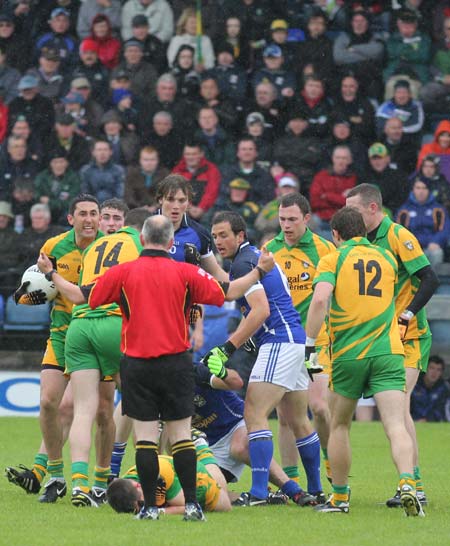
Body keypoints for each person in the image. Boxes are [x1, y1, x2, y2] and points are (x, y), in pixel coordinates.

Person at [67, 214, 276, 521]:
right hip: (176, 364)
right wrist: (260, 270)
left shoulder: (122, 272)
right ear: (170, 242)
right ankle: (192, 505)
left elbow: (83, 297)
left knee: (147, 438)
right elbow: (229, 290)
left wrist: (51, 275)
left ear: (141, 240)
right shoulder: (185, 272)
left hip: (137, 365)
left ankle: (150, 507)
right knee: (181, 436)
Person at [306, 206, 423, 517]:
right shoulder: (386, 258)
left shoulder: (334, 257)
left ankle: (340, 498)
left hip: (349, 354)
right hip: (388, 351)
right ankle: (408, 482)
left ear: (336, 234)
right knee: (396, 424)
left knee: (340, 424)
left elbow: (320, 299)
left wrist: (309, 343)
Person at [38, 207, 151, 507]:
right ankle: (145, 480)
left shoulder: (95, 248)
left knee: (84, 410)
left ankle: (79, 485)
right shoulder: (139, 245)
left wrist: (50, 274)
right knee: (140, 406)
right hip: (114, 326)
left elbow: (80, 294)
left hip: (79, 326)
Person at [207, 211, 322, 507]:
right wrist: (205, 262)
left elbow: (260, 311)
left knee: (254, 413)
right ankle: (318, 488)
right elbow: (230, 285)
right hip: (295, 341)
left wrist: (228, 348)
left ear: (240, 236)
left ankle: (258, 492)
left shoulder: (246, 262)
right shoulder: (250, 259)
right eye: (215, 236)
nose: (218, 241)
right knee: (298, 418)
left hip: (278, 341)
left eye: (224, 235)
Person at [346, 183, 439, 508]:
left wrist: (408, 314)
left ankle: (414, 485)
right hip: (382, 338)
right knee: (399, 413)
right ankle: (412, 483)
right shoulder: (361, 241)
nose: (349, 217)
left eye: (354, 210)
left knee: (398, 410)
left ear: (373, 209)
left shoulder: (398, 235)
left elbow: (430, 278)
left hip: (410, 336)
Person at [5, 195, 102, 503]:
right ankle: (54, 474)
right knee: (49, 402)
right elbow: (36, 286)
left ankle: (67, 476)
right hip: (61, 334)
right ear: (71, 219)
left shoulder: (108, 248)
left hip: (94, 335)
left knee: (76, 408)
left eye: (93, 214)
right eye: (82, 214)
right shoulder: (54, 247)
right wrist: (29, 293)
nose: (89, 219)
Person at [265, 192, 335, 485]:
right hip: (283, 342)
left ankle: (331, 456)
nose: (286, 225)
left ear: (307, 219)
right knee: (285, 417)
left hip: (316, 344)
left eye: (292, 219)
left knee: (319, 407)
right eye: (282, 219)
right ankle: (291, 483)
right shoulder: (269, 250)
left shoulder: (324, 249)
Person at [192, 359, 317, 506]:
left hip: (236, 423)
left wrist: (221, 373)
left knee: (240, 447)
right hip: (210, 445)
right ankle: (248, 497)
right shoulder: (162, 388)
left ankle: (294, 491)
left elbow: (236, 382)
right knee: (199, 487)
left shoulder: (195, 371)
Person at [107, 450, 231, 514]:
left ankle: (202, 449)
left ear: (137, 485)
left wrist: (160, 511)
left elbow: (188, 507)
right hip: (176, 474)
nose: (143, 505)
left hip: (198, 479)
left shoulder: (162, 475)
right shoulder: (124, 486)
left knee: (226, 506)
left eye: (140, 502)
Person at [396, 178, 450, 268]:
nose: (421, 191)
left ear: (429, 190)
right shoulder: (404, 210)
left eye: (424, 188)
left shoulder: (438, 209)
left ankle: (433, 281)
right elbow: (398, 231)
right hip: (411, 248)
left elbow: (445, 229)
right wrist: (411, 245)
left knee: (437, 253)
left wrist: (436, 242)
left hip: (432, 247)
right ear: (413, 190)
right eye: (418, 188)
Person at [172, 140, 221, 221]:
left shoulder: (211, 169)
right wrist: (189, 207)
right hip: (184, 209)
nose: (190, 157)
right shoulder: (177, 170)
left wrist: (202, 208)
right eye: (187, 154)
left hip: (207, 210)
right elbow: (175, 192)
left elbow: (212, 191)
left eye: (194, 154)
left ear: (201, 154)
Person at [411, 355, 450, 422]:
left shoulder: (444, 388)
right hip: (412, 422)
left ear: (441, 373)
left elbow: (442, 410)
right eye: (432, 368)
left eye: (438, 370)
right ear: (425, 369)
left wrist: (427, 420)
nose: (434, 372)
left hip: (435, 425)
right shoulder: (413, 384)